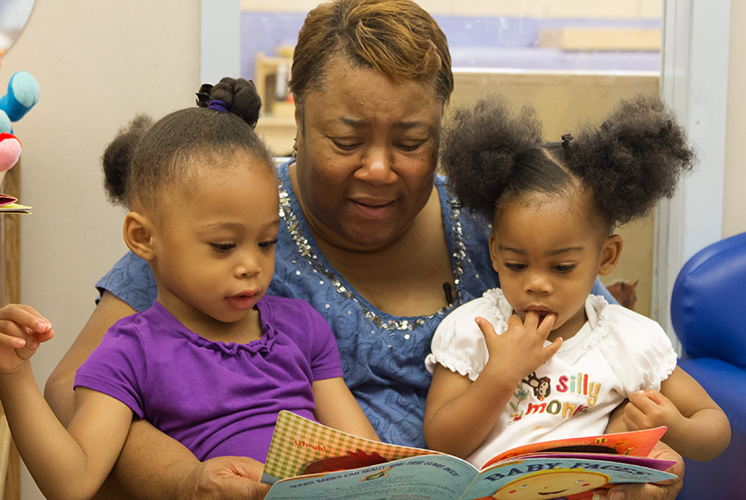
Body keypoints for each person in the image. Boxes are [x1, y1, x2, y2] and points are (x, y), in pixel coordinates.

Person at [42, 0, 686, 498]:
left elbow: (613, 357)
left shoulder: (505, 230)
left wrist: (643, 459)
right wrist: (185, 481)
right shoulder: (227, 217)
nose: (378, 168)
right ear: (295, 116)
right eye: (346, 139)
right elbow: (72, 391)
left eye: (410, 142)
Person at [0, 77, 378, 500]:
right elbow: (72, 483)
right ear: (143, 238)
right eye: (223, 246)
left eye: (267, 242)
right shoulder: (128, 352)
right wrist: (14, 377)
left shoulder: (302, 328)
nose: (251, 266)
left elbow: (366, 460)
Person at [423, 95, 731, 469]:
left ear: (607, 257)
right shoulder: (475, 330)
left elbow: (715, 426)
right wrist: (499, 375)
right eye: (516, 264)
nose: (537, 284)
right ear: (493, 251)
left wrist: (675, 427)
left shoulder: (625, 339)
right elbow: (441, 442)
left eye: (563, 267)